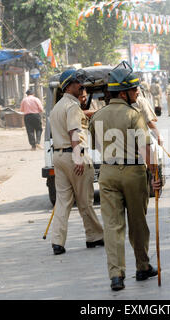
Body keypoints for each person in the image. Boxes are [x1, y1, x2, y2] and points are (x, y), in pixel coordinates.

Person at [89, 61, 161, 291]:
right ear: (122, 92)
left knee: (112, 226)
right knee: (138, 223)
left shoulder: (97, 116)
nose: (137, 92)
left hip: (108, 172)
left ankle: (116, 276)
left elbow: (94, 144)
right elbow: (147, 148)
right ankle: (142, 267)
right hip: (133, 172)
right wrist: (155, 174)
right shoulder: (134, 115)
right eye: (133, 89)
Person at [49, 69, 104, 255]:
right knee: (85, 200)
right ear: (69, 86)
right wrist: (78, 157)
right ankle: (94, 236)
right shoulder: (72, 107)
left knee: (63, 201)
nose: (81, 87)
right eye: (78, 83)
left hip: (58, 156)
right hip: (74, 156)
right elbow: (75, 133)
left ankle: (57, 241)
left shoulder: (57, 107)